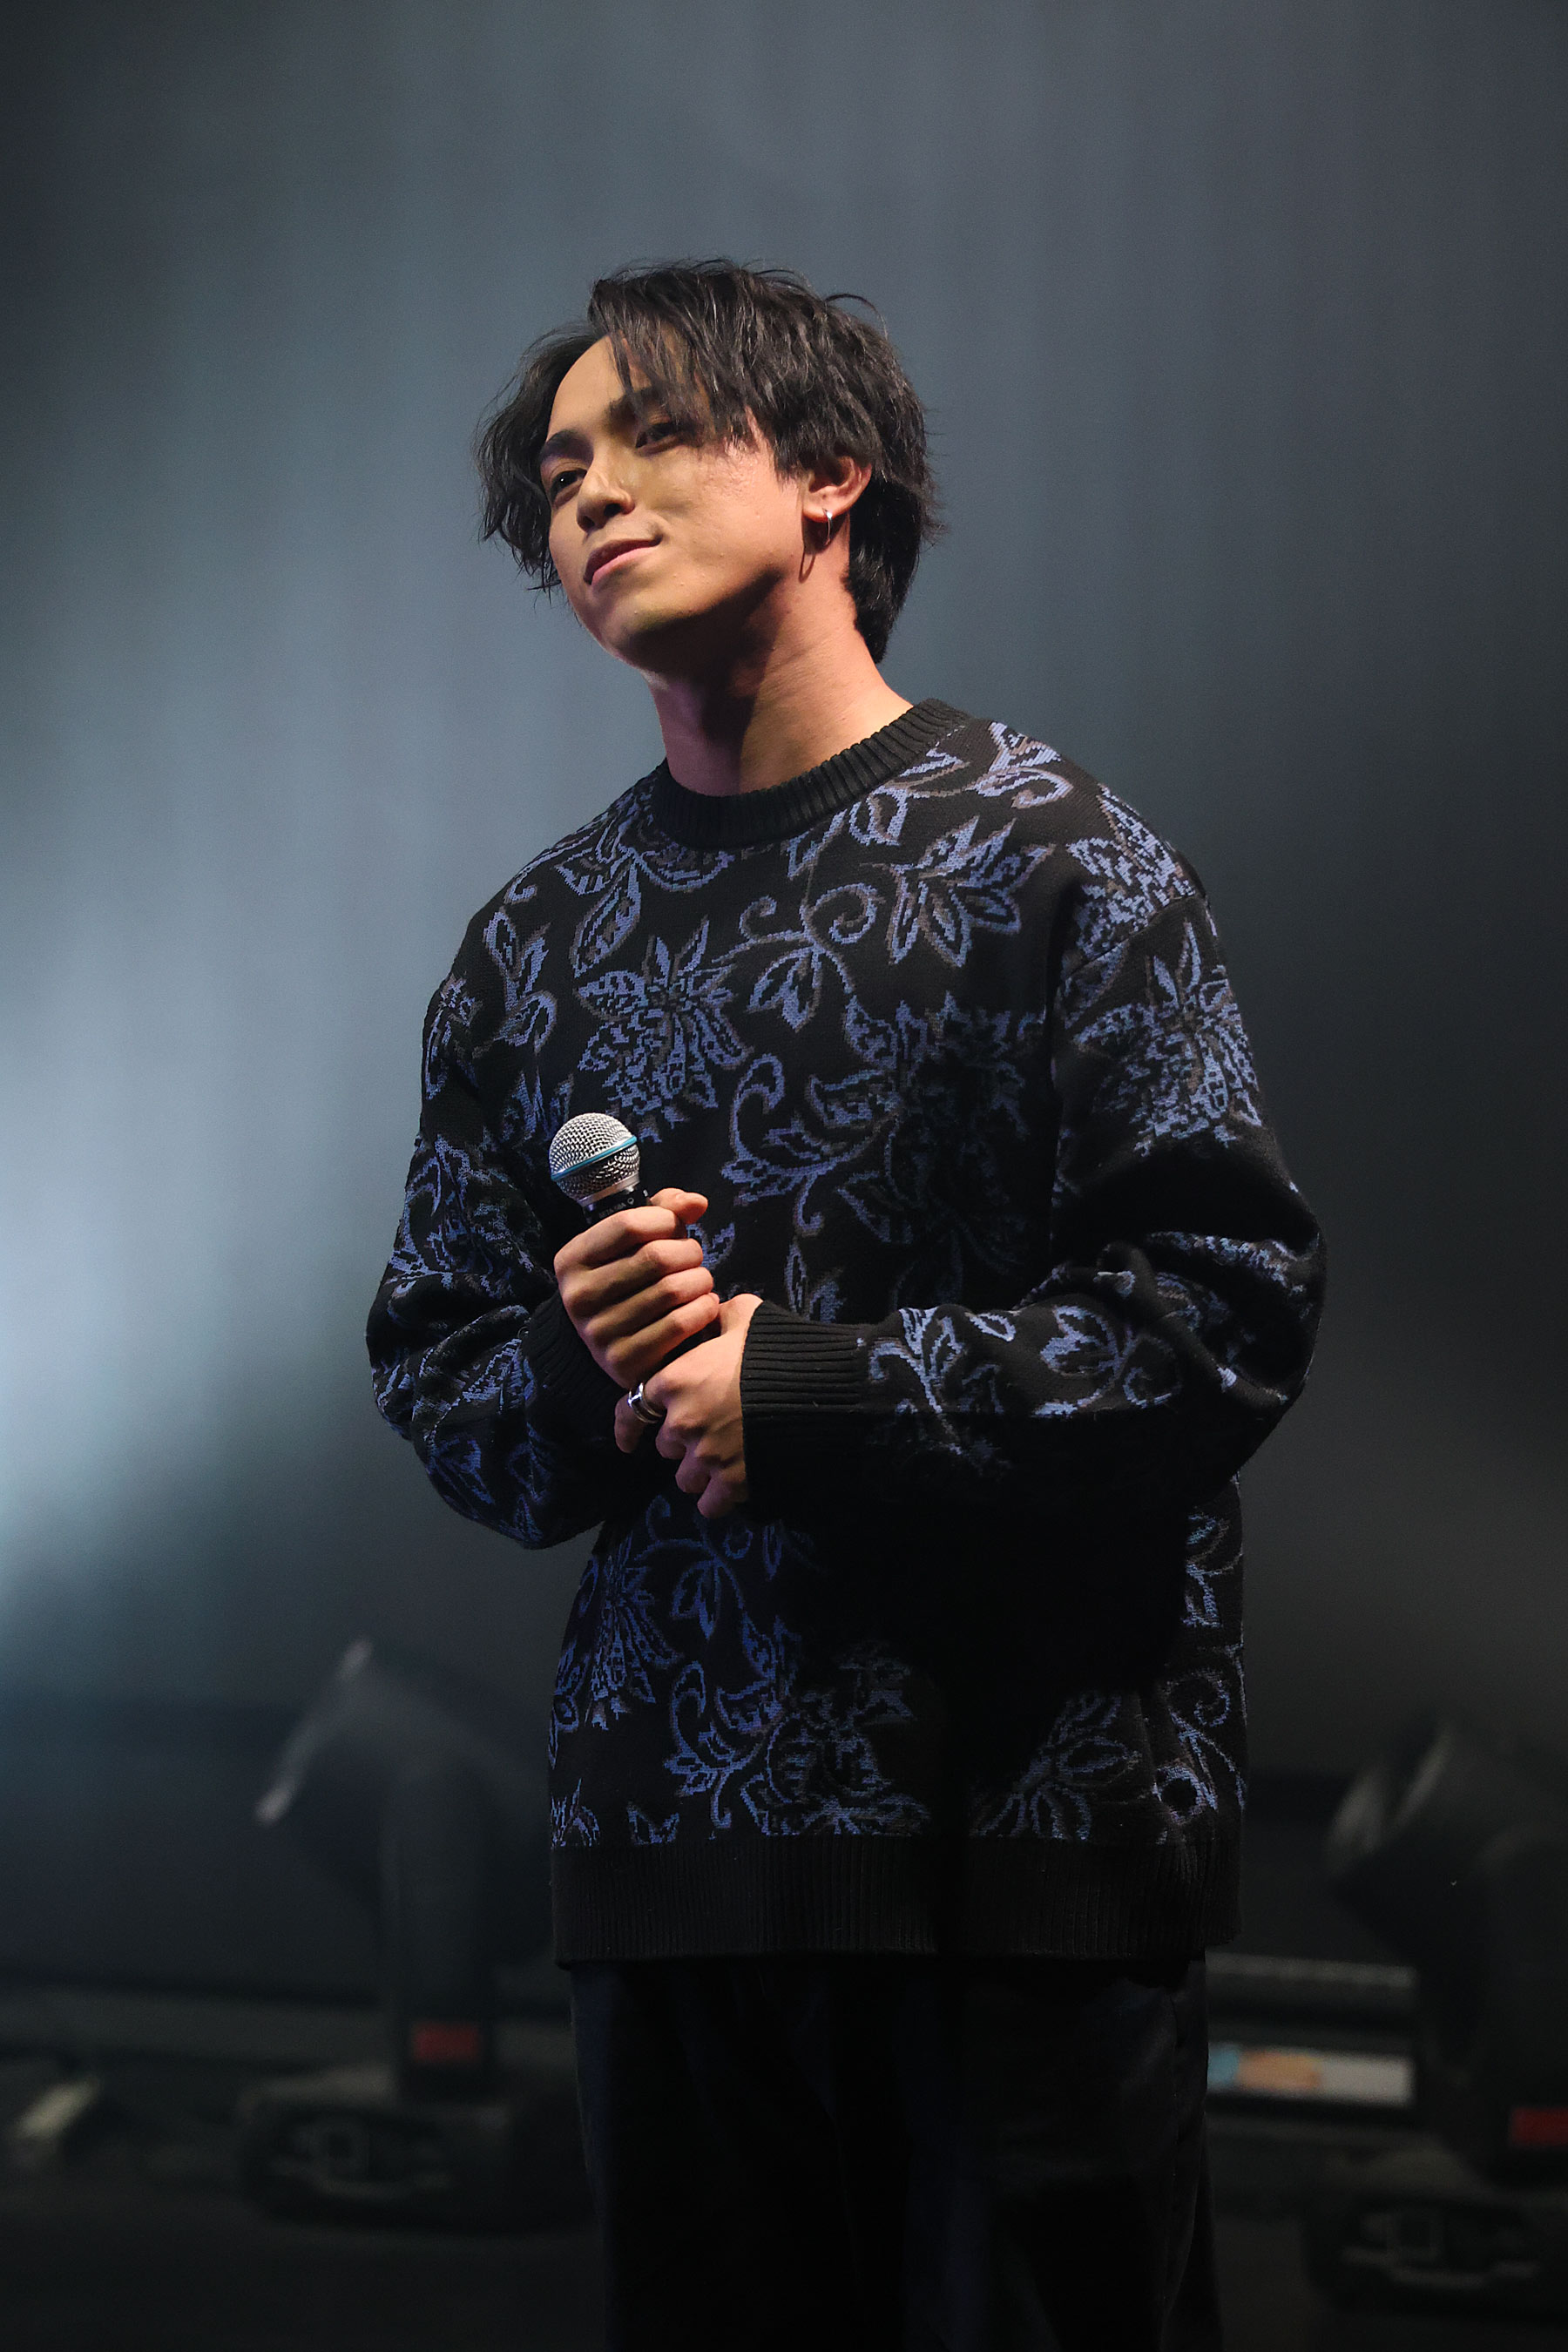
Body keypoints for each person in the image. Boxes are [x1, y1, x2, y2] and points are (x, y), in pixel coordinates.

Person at [367, 260, 1324, 2350]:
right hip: (672, 1872)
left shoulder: (1055, 861)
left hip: (1024, 1859)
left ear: (829, 477)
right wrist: (579, 1363)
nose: (591, 495)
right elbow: (446, 1390)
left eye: (654, 435)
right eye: (560, 472)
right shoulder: (535, 945)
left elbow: (1220, 1313)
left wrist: (800, 1393)